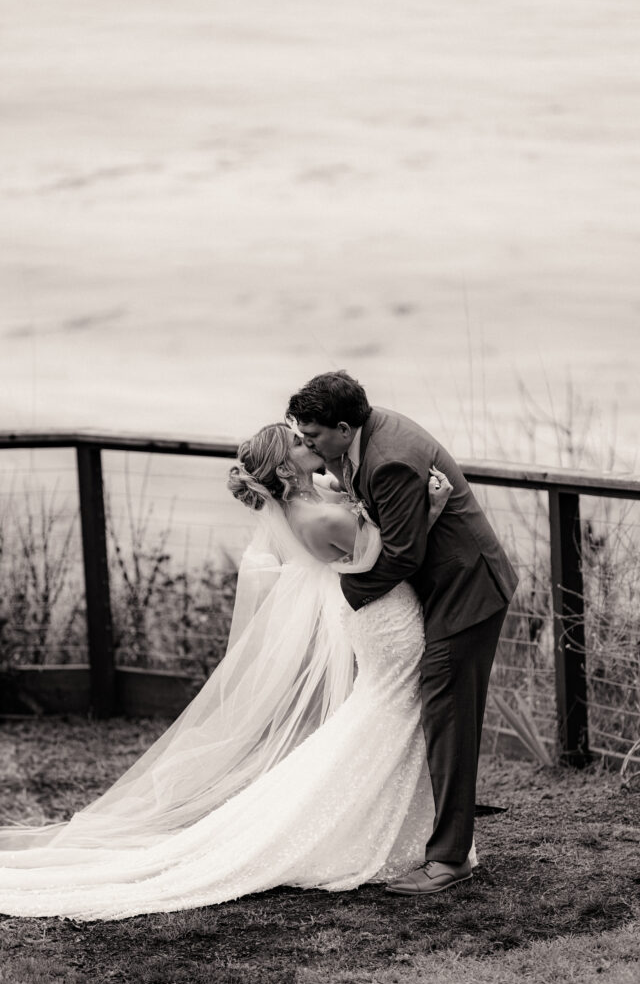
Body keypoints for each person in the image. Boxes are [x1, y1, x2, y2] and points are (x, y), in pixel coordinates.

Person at [0, 422, 459, 920]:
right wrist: (432, 510)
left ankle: (400, 825)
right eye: (302, 444)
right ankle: (362, 825)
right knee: (389, 712)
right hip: (385, 619)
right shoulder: (318, 517)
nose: (312, 446)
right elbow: (397, 556)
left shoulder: (312, 498)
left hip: (374, 614)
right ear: (286, 467)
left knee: (388, 712)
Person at [287, 371, 518, 896]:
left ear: (344, 428)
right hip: (442, 588)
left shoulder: (389, 458)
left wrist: (345, 594)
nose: (307, 445)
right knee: (439, 709)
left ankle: (449, 859)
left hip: (466, 592)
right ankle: (437, 842)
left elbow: (402, 554)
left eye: (313, 436)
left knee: (448, 714)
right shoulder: (368, 438)